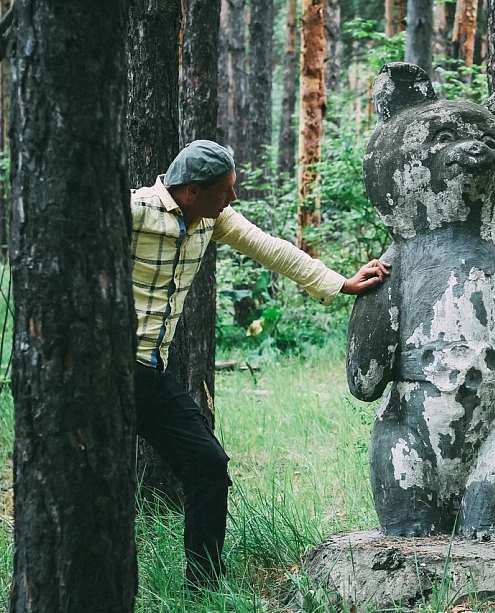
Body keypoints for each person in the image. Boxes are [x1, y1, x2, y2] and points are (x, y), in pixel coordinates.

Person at [130, 140, 389, 591]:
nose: (233, 198)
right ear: (191, 190)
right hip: (101, 375)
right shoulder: (135, 212)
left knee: (208, 465)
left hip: (149, 375)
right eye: (226, 190)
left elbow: (271, 249)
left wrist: (341, 284)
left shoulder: (212, 219)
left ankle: (204, 587)